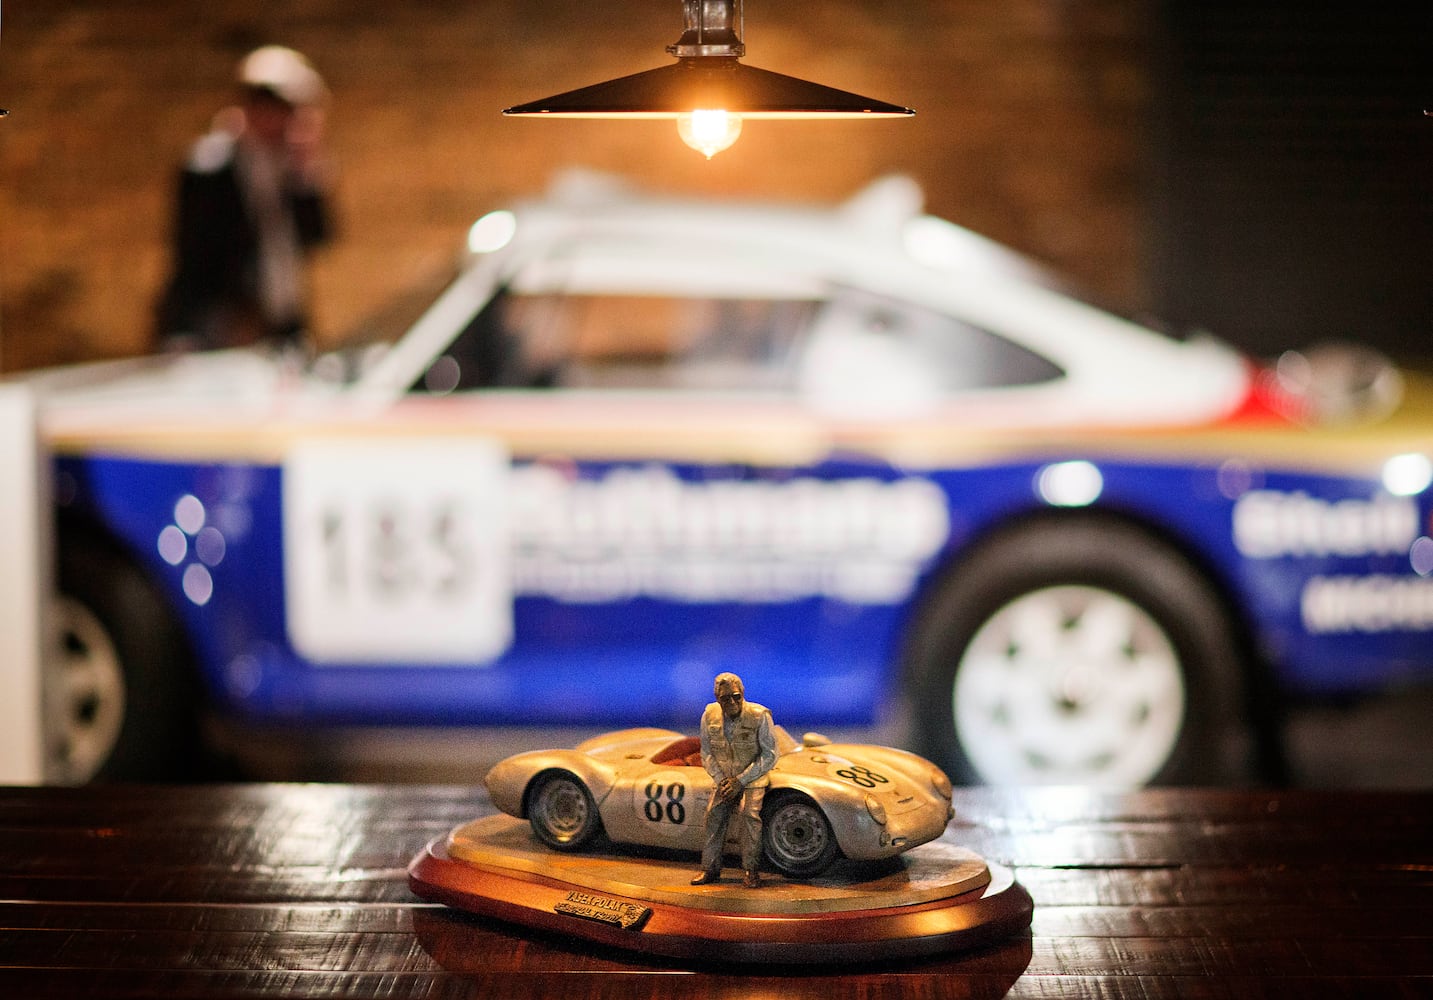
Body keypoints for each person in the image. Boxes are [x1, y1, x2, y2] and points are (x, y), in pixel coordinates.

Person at [154, 45, 334, 352]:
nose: (293, 126)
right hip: (223, 326)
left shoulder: (293, 167)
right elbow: (194, 257)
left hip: (283, 321)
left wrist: (304, 176)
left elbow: (318, 237)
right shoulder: (210, 167)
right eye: (288, 113)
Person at [692, 672, 778, 888]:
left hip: (753, 778)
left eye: (736, 696)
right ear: (717, 698)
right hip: (724, 780)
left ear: (742, 694)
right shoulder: (709, 715)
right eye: (725, 698)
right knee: (713, 814)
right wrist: (722, 780)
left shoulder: (759, 715)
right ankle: (709, 868)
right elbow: (706, 753)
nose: (731, 702)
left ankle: (751, 870)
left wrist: (741, 780)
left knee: (749, 815)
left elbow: (770, 755)